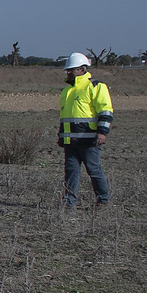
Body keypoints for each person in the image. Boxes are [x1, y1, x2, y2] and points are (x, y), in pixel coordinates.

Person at [57, 51, 112, 207]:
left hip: (89, 139)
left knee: (94, 171)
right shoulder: (67, 91)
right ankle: (69, 203)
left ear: (82, 69)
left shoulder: (95, 86)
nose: (68, 73)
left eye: (71, 70)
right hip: (70, 141)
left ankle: (103, 201)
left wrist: (102, 132)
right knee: (71, 172)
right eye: (67, 70)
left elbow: (105, 111)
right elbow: (65, 116)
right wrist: (61, 136)